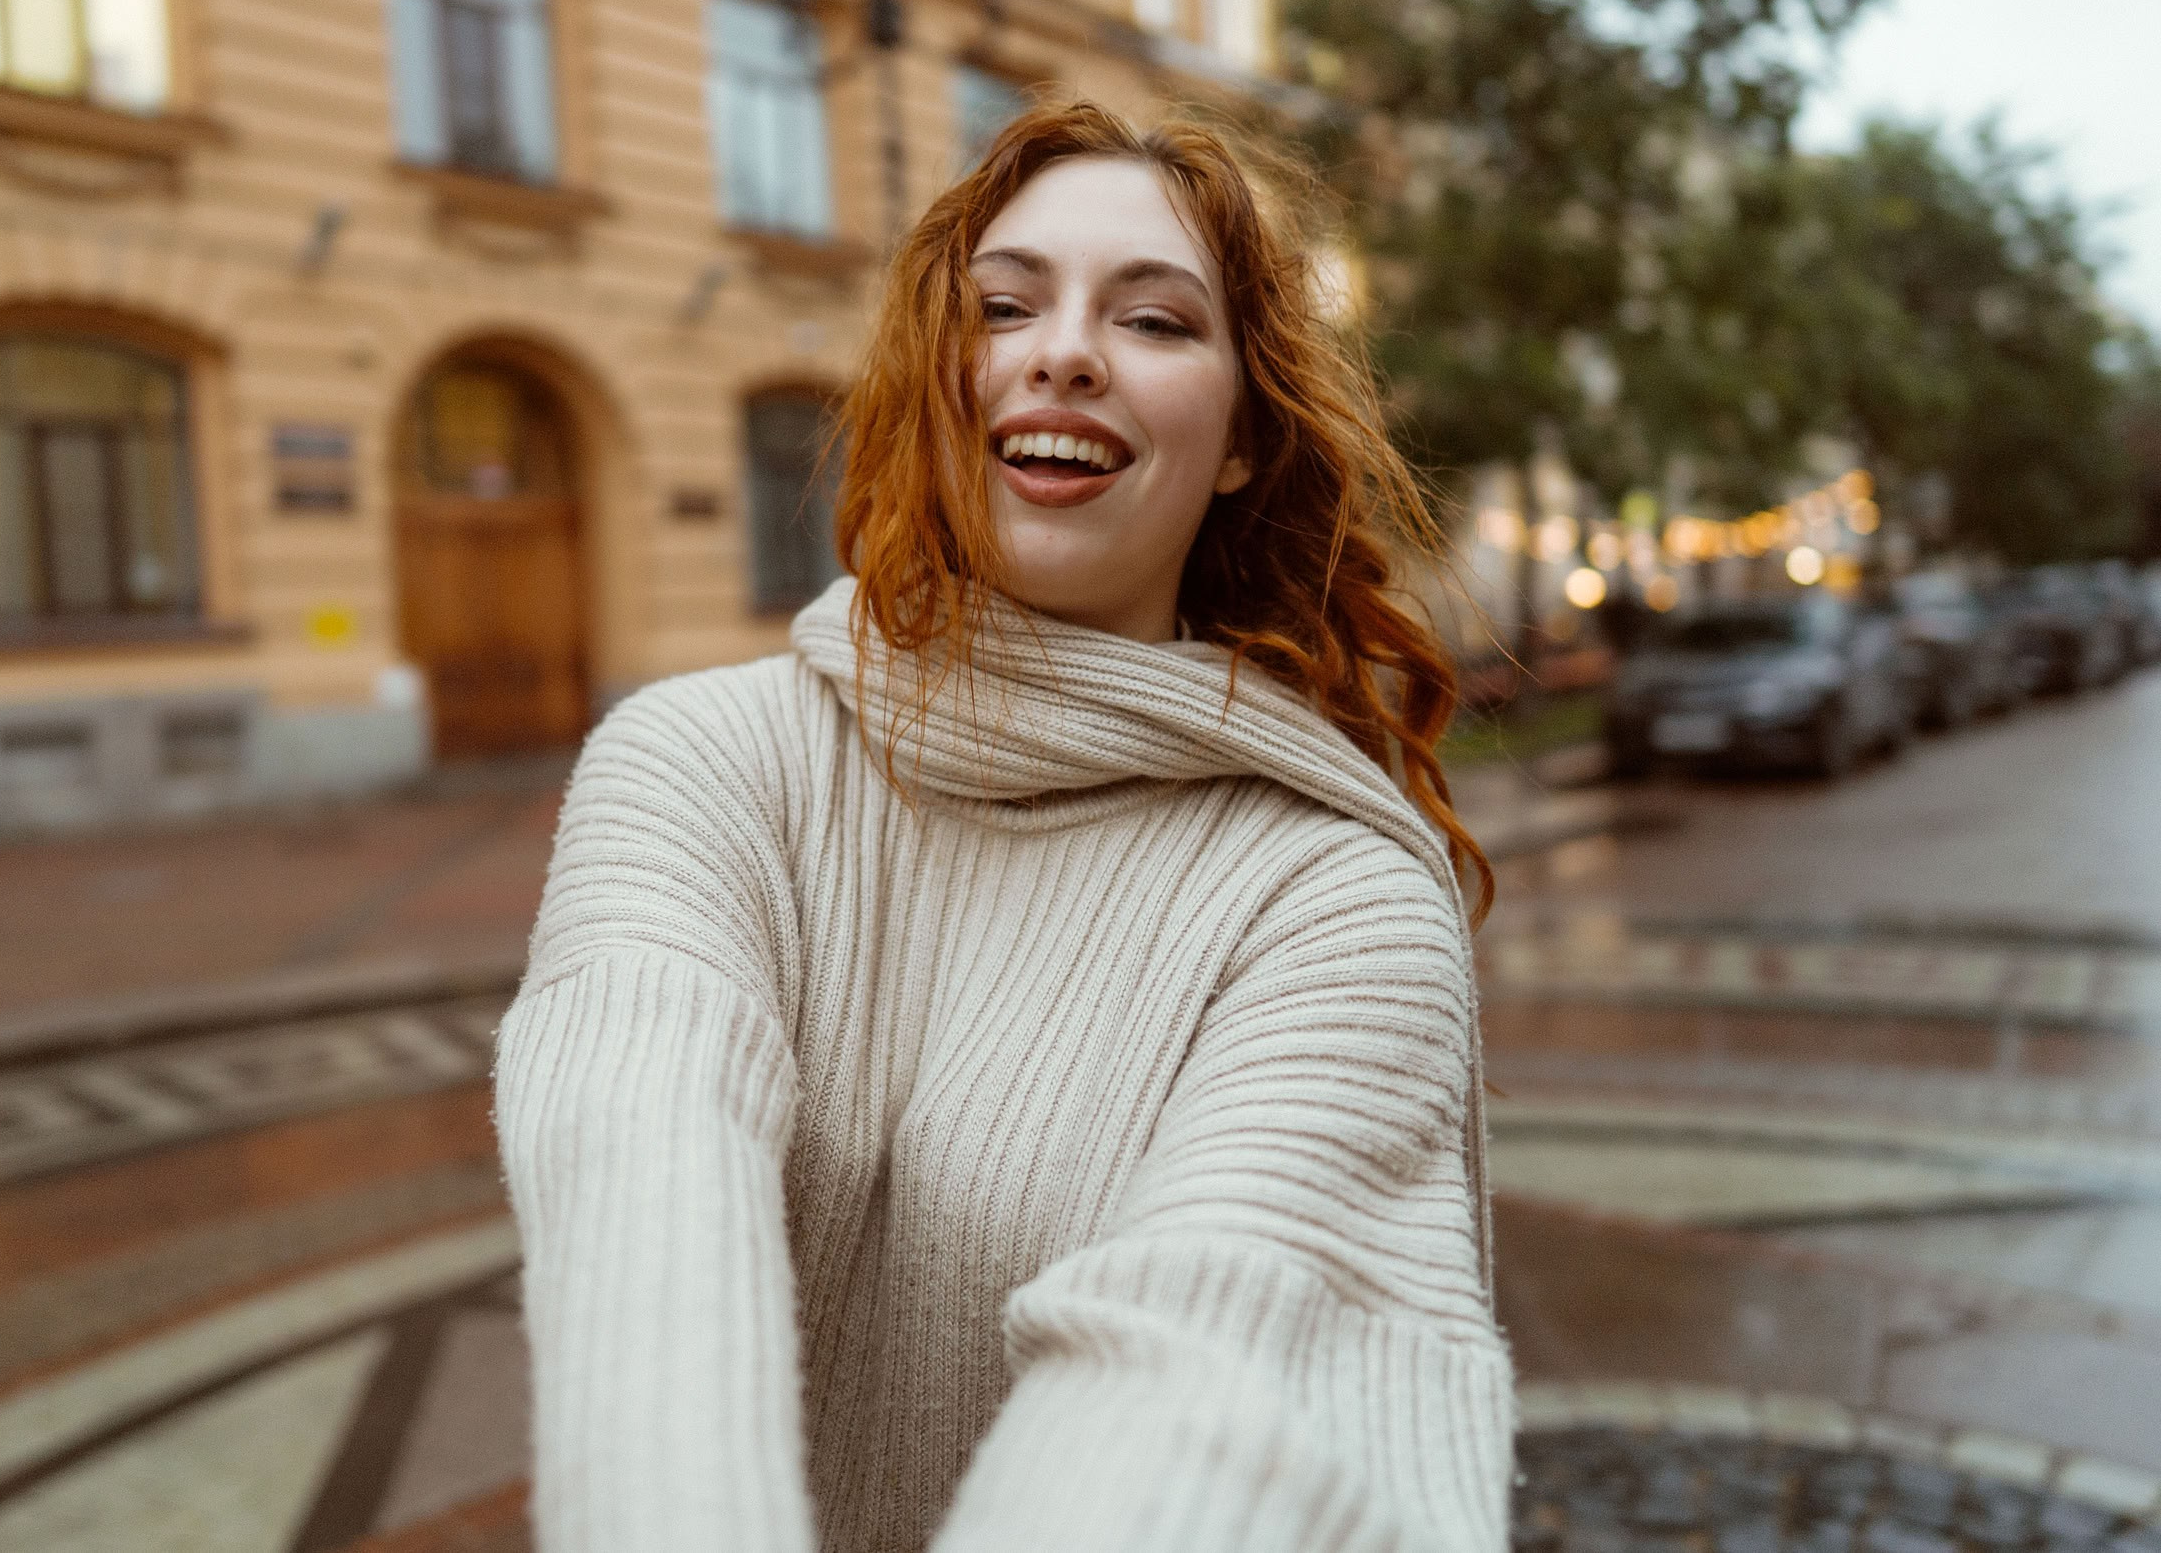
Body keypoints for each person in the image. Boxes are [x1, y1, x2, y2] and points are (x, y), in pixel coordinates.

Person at [495, 100, 1511, 1553]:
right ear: (941, 378)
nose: (1067, 350)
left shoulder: (1337, 893)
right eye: (1005, 306)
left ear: (1238, 441)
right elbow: (635, 1171)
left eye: (1156, 322)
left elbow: (1206, 1368)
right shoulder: (704, 759)